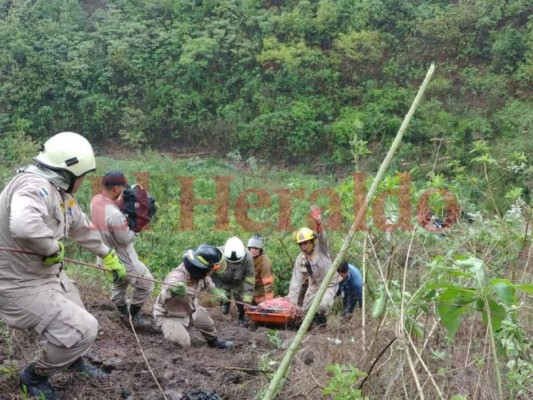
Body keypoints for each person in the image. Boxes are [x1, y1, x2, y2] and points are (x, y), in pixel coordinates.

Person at [0, 132, 126, 400]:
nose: (83, 181)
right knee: (83, 328)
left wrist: (107, 255)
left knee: (77, 311)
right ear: (69, 172)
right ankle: (34, 376)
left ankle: (71, 359)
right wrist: (51, 247)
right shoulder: (34, 187)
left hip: (44, 275)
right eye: (82, 175)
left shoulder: (59, 192)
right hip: (16, 282)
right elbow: (23, 225)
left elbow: (80, 226)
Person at [91, 170, 154, 330]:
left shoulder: (96, 201)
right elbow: (125, 239)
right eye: (122, 188)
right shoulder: (115, 215)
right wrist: (136, 225)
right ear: (116, 188)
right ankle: (133, 317)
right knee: (147, 284)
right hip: (124, 258)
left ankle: (121, 313)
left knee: (119, 283)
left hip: (105, 255)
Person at [153, 244, 234, 349]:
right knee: (184, 343)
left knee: (208, 323)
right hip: (170, 315)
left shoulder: (200, 274)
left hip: (191, 309)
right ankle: (172, 330)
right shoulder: (177, 277)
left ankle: (214, 342)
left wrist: (216, 292)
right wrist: (172, 290)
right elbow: (164, 294)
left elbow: (208, 282)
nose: (211, 272)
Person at [287, 205, 339, 328]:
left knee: (322, 305)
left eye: (305, 242)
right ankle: (310, 327)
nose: (303, 245)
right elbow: (295, 282)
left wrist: (318, 223)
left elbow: (322, 237)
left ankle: (321, 326)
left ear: (311, 242)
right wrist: (292, 303)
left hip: (329, 283)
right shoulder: (300, 259)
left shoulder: (322, 249)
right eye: (301, 243)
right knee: (305, 312)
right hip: (314, 285)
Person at [211, 236, 255, 324]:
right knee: (223, 301)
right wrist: (217, 291)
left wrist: (247, 301)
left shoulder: (248, 257)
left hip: (239, 281)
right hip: (222, 281)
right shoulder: (216, 254)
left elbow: (249, 280)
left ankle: (241, 316)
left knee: (242, 301)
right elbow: (211, 274)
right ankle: (224, 303)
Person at [247, 235, 275, 305]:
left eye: (256, 249)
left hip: (261, 292)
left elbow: (268, 284)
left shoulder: (265, 262)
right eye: (252, 248)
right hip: (248, 290)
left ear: (260, 250)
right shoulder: (246, 258)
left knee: (261, 311)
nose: (253, 250)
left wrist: (269, 302)